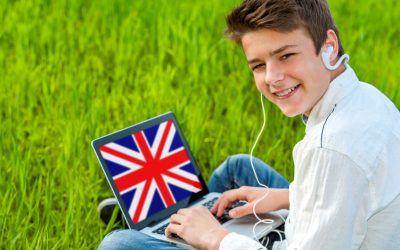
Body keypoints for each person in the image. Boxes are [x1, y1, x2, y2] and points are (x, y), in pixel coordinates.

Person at [98, 0, 400, 249]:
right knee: (237, 169)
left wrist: (216, 239)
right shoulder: (363, 97)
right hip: (328, 226)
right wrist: (289, 198)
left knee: (117, 245)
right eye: (258, 65)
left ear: (328, 47)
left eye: (286, 55)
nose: (271, 77)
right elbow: (350, 197)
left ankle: (155, 229)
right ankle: (165, 222)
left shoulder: (332, 148)